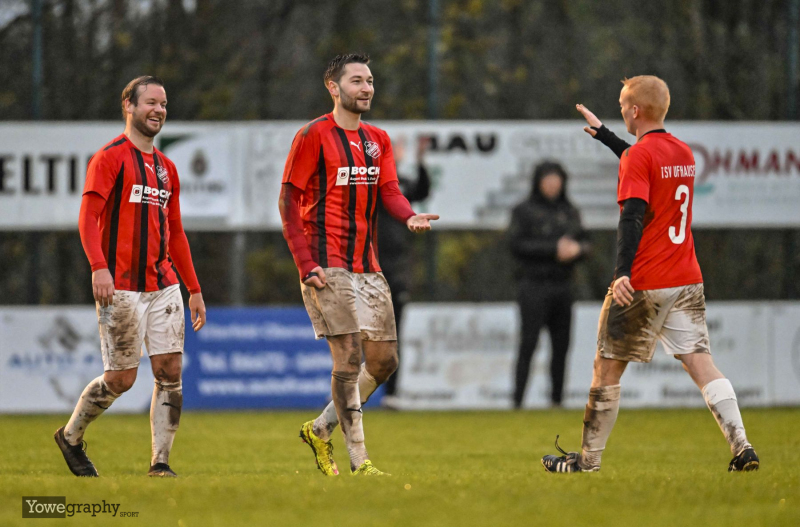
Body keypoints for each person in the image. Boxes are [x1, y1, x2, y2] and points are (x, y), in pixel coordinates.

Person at [541, 76, 759, 473]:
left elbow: (633, 215)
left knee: (605, 368)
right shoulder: (683, 152)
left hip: (645, 280)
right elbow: (647, 164)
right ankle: (742, 446)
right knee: (700, 363)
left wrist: (622, 272)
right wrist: (608, 137)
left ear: (636, 111)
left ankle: (586, 463)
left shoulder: (640, 157)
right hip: (686, 278)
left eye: (624, 105)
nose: (622, 110)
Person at [279, 53, 439, 476]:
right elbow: (288, 202)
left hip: (367, 266)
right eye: (356, 81)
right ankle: (359, 461)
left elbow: (389, 190)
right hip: (325, 265)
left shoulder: (377, 139)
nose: (366, 88)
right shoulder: (313, 135)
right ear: (333, 88)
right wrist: (303, 261)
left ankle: (319, 429)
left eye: (369, 80)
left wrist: (408, 214)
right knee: (348, 359)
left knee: (384, 361)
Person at [54, 76, 206, 478]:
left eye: (164, 104)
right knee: (120, 379)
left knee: (170, 371)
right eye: (151, 103)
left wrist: (194, 287)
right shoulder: (109, 158)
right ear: (129, 105)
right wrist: (98, 266)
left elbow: (175, 232)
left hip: (164, 285)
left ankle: (160, 463)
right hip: (120, 284)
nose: (158, 110)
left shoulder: (167, 167)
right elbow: (88, 218)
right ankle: (70, 437)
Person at [508, 161, 588, 409]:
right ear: (538, 182)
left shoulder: (570, 211)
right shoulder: (524, 210)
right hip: (533, 286)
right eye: (548, 179)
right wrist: (554, 249)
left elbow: (587, 243)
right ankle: (518, 401)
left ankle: (556, 401)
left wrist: (577, 250)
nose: (553, 184)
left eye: (557, 179)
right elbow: (516, 245)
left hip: (563, 286)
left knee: (561, 346)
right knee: (528, 344)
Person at [378, 137, 431, 406]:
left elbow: (421, 190)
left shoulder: (402, 187)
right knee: (358, 334)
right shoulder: (372, 185)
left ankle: (393, 393)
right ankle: (348, 390)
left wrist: (421, 161)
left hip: (396, 272)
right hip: (369, 268)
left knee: (394, 333)